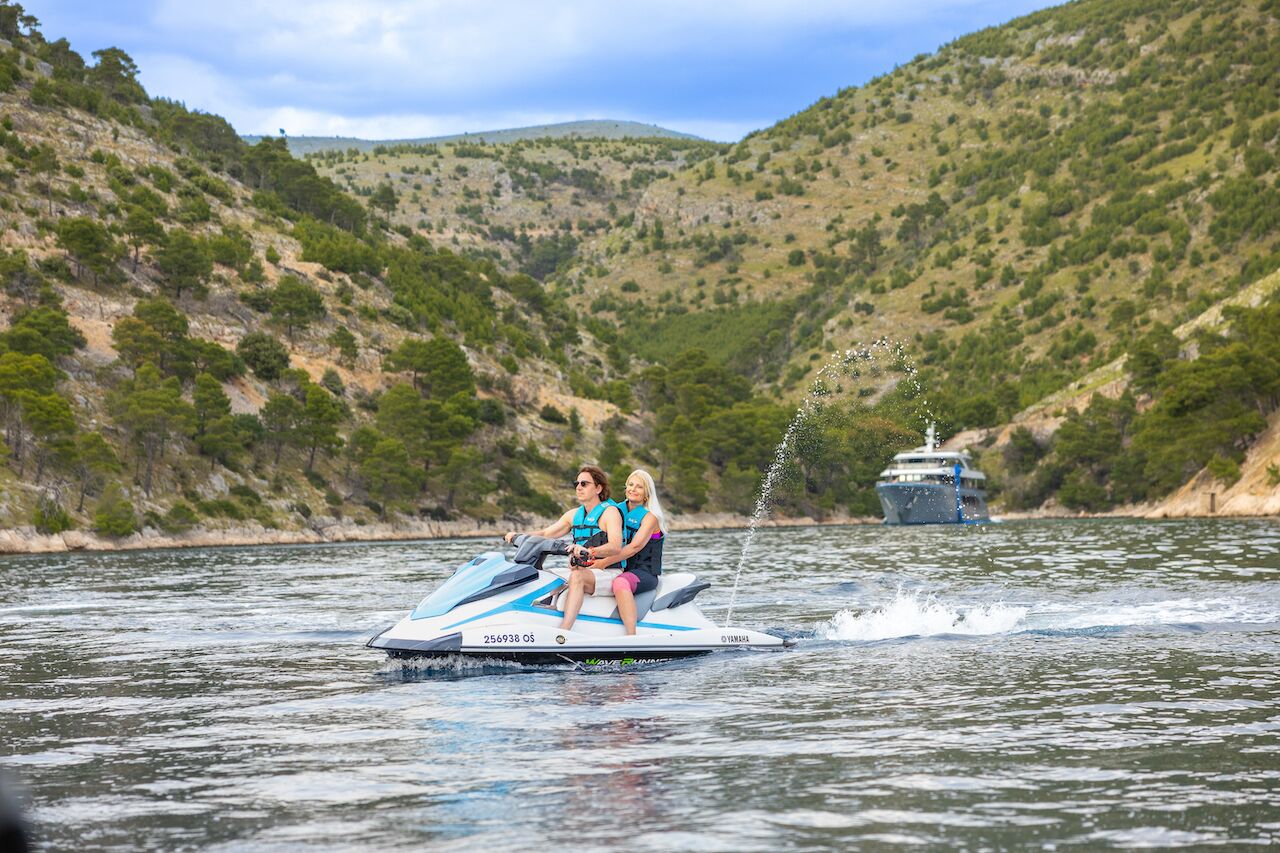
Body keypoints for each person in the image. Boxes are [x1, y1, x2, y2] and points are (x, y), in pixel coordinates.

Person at [503, 464, 622, 631]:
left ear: (598, 488)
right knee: (542, 576)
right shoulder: (573, 515)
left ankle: (565, 630)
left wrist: (591, 551)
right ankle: (528, 619)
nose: (578, 488)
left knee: (577, 577)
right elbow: (545, 533)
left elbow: (616, 547)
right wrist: (519, 535)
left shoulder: (610, 513)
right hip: (582, 570)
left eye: (584, 484)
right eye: (577, 484)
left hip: (609, 573)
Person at [580, 469, 667, 635]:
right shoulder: (614, 510)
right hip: (618, 567)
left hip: (643, 572)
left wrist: (604, 563)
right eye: (631, 484)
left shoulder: (650, 518)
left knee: (621, 582)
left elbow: (634, 547)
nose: (633, 489)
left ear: (647, 493)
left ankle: (631, 636)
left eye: (639, 487)